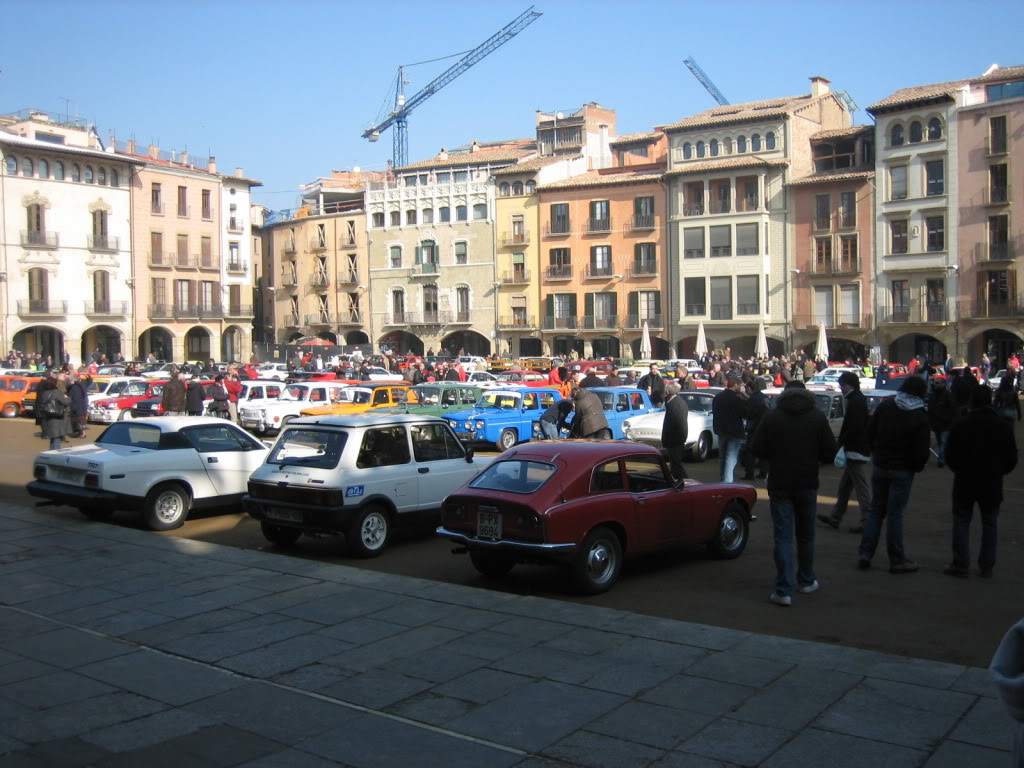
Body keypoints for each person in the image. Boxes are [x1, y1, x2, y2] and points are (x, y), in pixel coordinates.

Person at [751, 381, 837, 606]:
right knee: (806, 534)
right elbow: (830, 452)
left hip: (780, 482)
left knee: (783, 536)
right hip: (807, 481)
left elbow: (756, 447)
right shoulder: (817, 417)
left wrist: (773, 455)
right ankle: (807, 580)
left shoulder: (772, 416)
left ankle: (784, 589)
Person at [857, 375, 931, 574]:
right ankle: (897, 559)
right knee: (895, 515)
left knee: (876, 511)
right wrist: (915, 466)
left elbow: (869, 432)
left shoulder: (886, 406)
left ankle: (865, 553)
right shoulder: (920, 415)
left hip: (881, 465)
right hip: (903, 469)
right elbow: (922, 450)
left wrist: (876, 452)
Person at [944, 386, 1017, 578]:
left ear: (971, 401)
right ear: (990, 401)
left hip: (964, 481)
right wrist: (998, 471)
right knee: (990, 523)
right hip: (991, 482)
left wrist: (959, 469)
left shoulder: (961, 424)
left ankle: (960, 563)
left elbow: (949, 454)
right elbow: (1011, 458)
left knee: (961, 521)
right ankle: (986, 565)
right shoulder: (1002, 426)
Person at [819, 372, 872, 532]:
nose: (841, 388)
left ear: (849, 385)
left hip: (854, 449)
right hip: (856, 448)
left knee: (860, 487)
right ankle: (836, 516)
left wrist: (843, 444)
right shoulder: (858, 399)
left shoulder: (855, 401)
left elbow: (853, 428)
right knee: (846, 487)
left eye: (842, 385)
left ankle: (866, 520)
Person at [712, 377, 748, 483]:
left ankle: (723, 479)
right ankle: (727, 482)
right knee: (731, 458)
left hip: (720, 429)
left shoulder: (718, 397)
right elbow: (745, 413)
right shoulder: (736, 398)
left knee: (723, 457)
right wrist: (745, 397)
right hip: (734, 431)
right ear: (735, 385)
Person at [740, 378, 769, 481]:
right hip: (765, 427)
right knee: (763, 452)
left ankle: (749, 474)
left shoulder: (752, 399)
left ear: (749, 388)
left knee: (750, 452)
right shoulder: (765, 397)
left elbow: (747, 414)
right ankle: (763, 472)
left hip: (753, 428)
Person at [661, 381, 689, 482]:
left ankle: (685, 483)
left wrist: (671, 440)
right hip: (675, 440)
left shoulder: (676, 404)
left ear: (668, 391)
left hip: (675, 440)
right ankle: (679, 483)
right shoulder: (673, 402)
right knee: (675, 465)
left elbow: (678, 424)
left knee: (677, 465)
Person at [927, 376, 956, 468]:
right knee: (940, 442)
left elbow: (952, 409)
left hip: (945, 424)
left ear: (943, 384)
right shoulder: (933, 395)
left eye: (937, 383)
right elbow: (930, 409)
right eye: (935, 383)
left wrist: (948, 419)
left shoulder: (948, 395)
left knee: (943, 442)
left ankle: (941, 460)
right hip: (936, 424)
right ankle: (943, 458)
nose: (935, 384)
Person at [36, 378, 72, 451]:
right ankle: (54, 454)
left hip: (47, 416)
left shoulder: (45, 393)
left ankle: (51, 453)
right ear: (54, 384)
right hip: (57, 417)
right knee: (56, 437)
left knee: (52, 438)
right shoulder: (57, 392)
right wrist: (68, 398)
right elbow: (66, 402)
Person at [67, 372, 89, 438]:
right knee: (80, 421)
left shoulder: (75, 388)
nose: (69, 382)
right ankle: (80, 433)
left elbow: (75, 399)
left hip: (77, 407)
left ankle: (82, 433)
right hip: (81, 406)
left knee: (79, 421)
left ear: (73, 380)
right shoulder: (80, 385)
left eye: (70, 381)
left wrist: (74, 408)